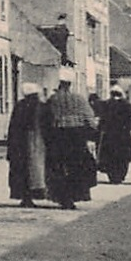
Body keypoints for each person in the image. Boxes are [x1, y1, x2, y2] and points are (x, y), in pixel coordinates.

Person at [40, 68, 98, 209]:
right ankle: (74, 194)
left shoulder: (53, 100)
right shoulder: (79, 99)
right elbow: (90, 119)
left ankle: (61, 196)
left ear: (60, 84)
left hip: (58, 137)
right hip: (77, 137)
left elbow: (45, 121)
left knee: (58, 167)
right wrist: (91, 135)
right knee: (76, 167)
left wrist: (46, 138)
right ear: (70, 85)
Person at [5, 82, 47, 206]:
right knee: (38, 169)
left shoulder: (20, 106)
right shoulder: (42, 106)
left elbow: (13, 127)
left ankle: (25, 197)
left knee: (22, 170)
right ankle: (38, 193)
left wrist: (11, 147)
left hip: (20, 143)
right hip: (40, 142)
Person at [94, 85, 131, 184]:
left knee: (110, 156)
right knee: (123, 157)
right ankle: (121, 175)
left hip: (109, 135)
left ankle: (112, 175)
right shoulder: (126, 105)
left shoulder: (106, 104)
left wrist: (100, 130)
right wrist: (129, 128)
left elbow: (102, 119)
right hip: (123, 135)